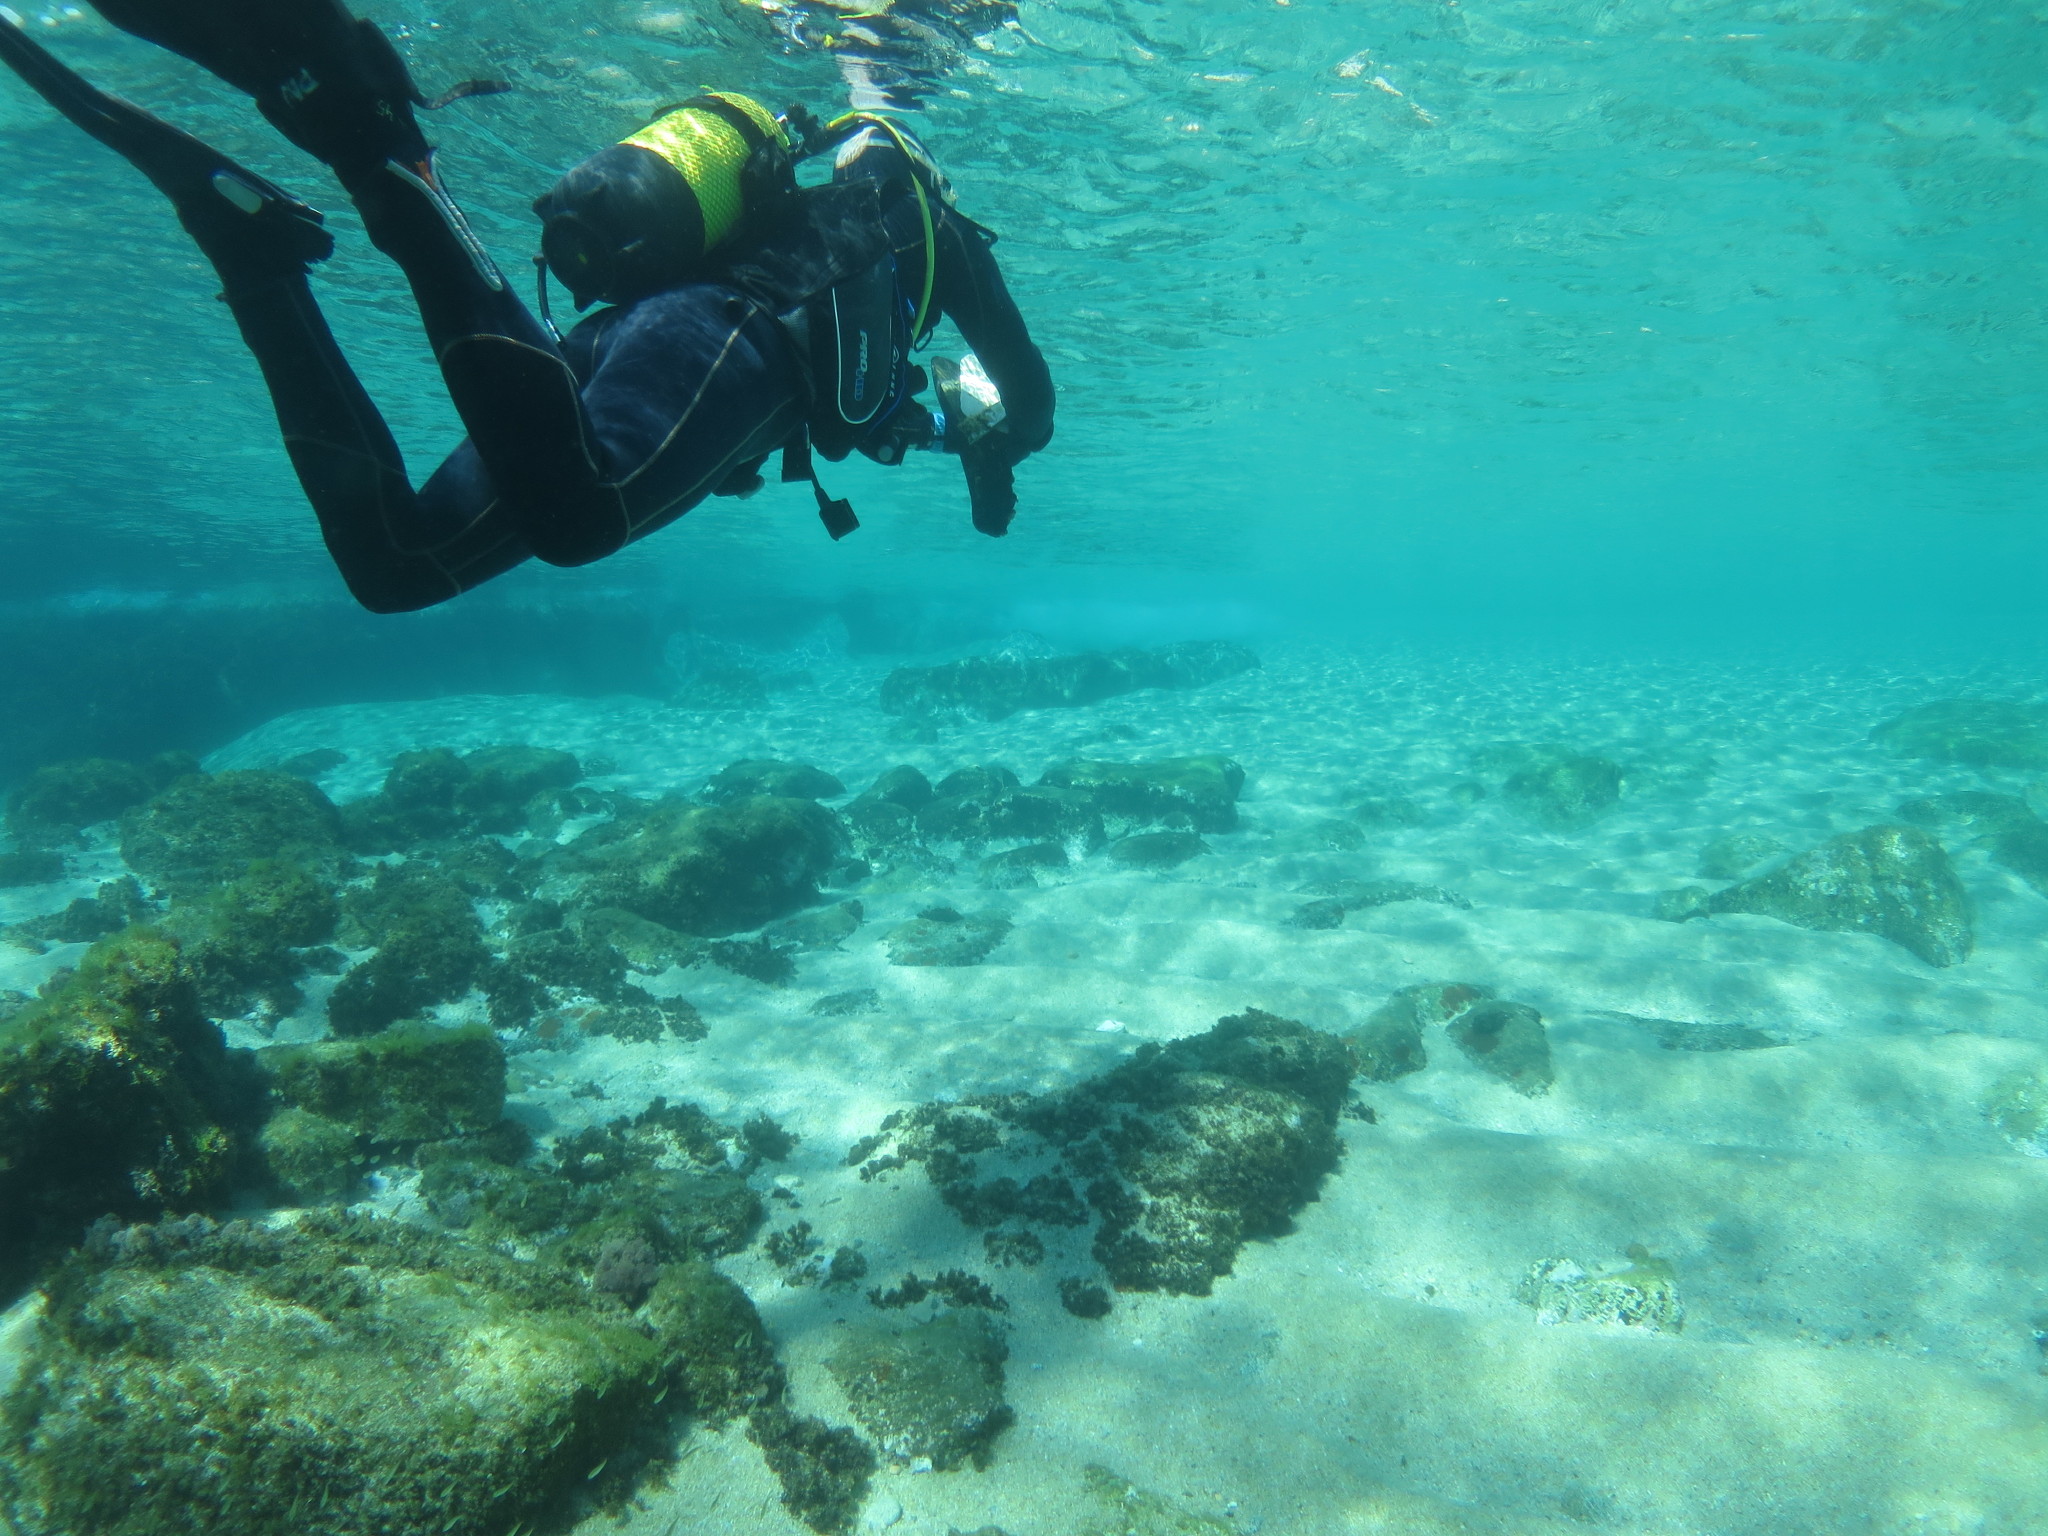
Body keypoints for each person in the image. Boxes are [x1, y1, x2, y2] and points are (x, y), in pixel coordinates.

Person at [0, 0, 1053, 613]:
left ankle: (257, 257)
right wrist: (990, 447)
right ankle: (383, 154)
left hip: (635, 331)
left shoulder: (821, 183)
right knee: (577, 519)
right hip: (731, 342)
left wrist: (948, 432)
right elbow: (1033, 406)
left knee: (397, 569)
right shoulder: (942, 236)